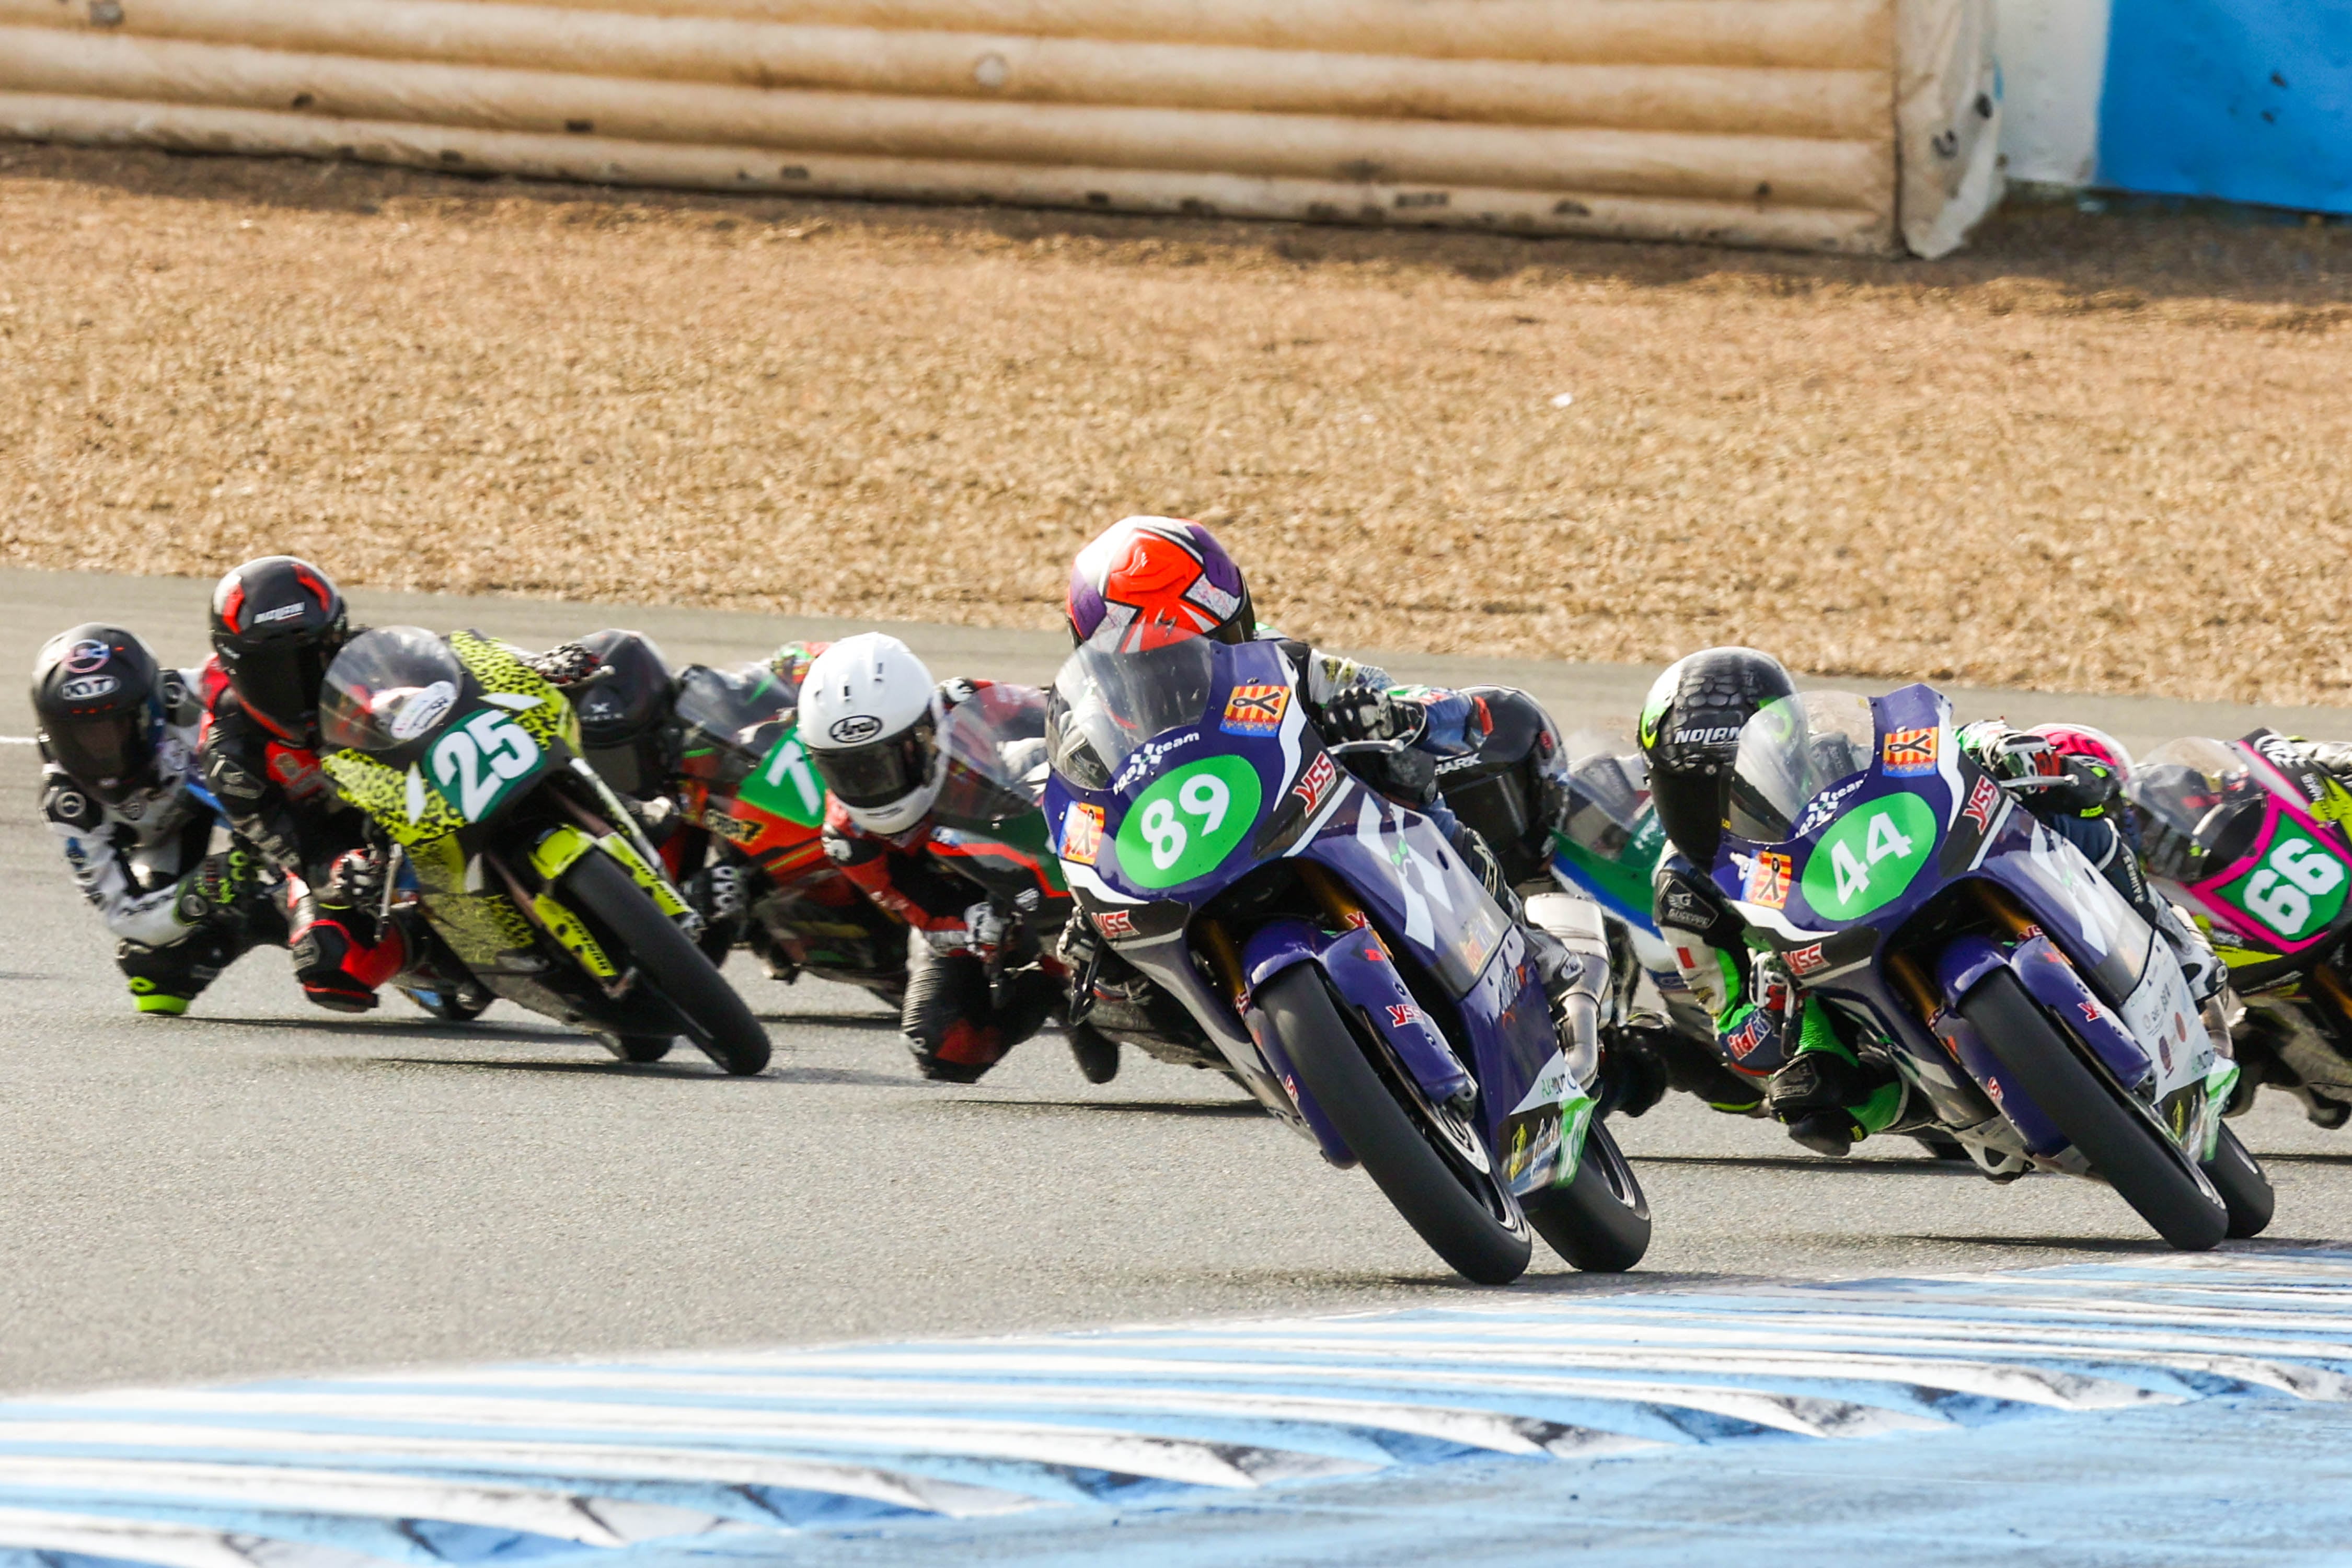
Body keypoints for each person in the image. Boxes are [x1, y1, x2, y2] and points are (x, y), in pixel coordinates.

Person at [1060, 515, 1661, 1114]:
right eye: (1140, 654)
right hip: (1194, 886)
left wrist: (1400, 716)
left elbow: (1421, 704)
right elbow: (1077, 819)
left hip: (1315, 831)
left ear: (1232, 622)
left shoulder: (1284, 663)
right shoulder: (1091, 732)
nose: (1164, 665)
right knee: (1109, 983)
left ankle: (1534, 953)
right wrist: (1088, 896)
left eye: (1184, 641)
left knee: (1411, 773)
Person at [1640, 647, 2222, 1156]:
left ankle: (2170, 936)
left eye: (1732, 778)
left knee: (2070, 804)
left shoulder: (1837, 755)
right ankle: (1950, 1106)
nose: (1713, 803)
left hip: (1925, 869)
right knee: (1817, 1098)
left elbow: (1931, 752)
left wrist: (1998, 747)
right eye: (1692, 787)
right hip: (1829, 979)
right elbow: (1728, 1022)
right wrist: (1767, 1014)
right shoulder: (1685, 890)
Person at [199, 556, 606, 1013]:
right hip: (353, 848)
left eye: (316, 655)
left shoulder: (361, 654)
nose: (302, 681)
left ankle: (621, 817)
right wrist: (338, 867)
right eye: (275, 669)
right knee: (331, 966)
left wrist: (536, 665)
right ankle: (445, 964)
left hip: (420, 782)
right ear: (237, 668)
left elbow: (460, 660)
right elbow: (294, 847)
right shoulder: (233, 756)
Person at [800, 631, 1101, 1084]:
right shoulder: (847, 838)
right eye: (847, 770)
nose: (869, 785)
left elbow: (1059, 706)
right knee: (943, 1046)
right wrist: (971, 925)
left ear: (923, 731)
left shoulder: (966, 701)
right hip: (969, 903)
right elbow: (917, 908)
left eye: (882, 763)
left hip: (1020, 822)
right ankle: (1052, 988)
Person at [33, 624, 285, 1014]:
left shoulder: (191, 699)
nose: (102, 748)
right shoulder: (68, 804)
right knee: (156, 972)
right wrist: (200, 893)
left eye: (115, 727)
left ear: (149, 708)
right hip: (171, 836)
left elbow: (254, 680)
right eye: (80, 735)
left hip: (272, 801)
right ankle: (264, 913)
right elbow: (122, 914)